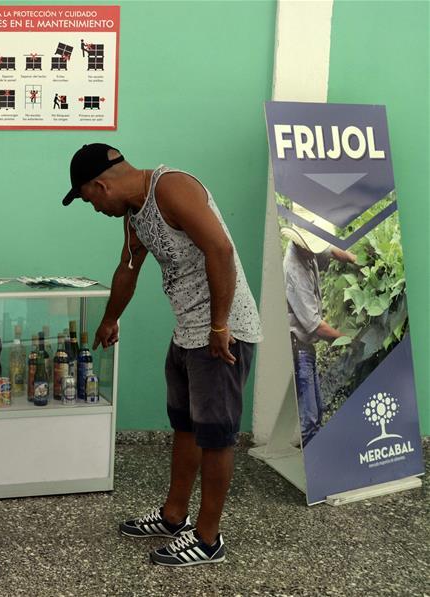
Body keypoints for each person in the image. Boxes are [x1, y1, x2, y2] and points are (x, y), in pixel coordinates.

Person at [61, 144, 263, 567]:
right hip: (189, 330)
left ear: (101, 185)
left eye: (88, 199)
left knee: (216, 434)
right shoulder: (136, 215)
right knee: (185, 426)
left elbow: (220, 250)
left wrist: (220, 326)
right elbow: (129, 268)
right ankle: (174, 517)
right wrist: (110, 318)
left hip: (220, 332)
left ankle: (208, 539)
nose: (93, 208)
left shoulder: (171, 187)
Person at [281, 211, 357, 448]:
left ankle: (312, 458)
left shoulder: (307, 250)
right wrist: (348, 341)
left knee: (317, 409)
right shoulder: (294, 268)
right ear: (299, 243)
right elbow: (315, 325)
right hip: (298, 347)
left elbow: (330, 251)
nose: (315, 251)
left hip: (306, 346)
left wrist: (353, 258)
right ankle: (311, 470)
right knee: (310, 419)